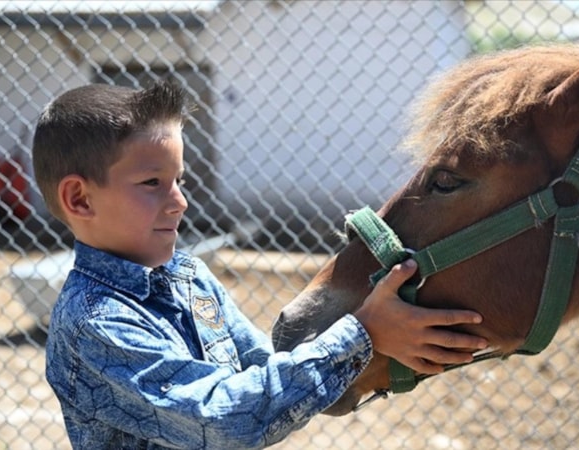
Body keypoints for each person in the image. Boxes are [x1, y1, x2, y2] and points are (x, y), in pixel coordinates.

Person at [32, 82, 488, 449]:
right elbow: (228, 420)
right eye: (153, 183)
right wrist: (364, 333)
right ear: (80, 199)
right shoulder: (95, 324)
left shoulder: (189, 276)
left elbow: (269, 372)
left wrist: (381, 345)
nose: (180, 202)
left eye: (179, 180)